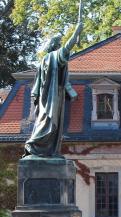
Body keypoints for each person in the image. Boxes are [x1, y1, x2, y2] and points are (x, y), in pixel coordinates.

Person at [24, 16, 83, 157]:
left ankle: (49, 150)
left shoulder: (45, 59)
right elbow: (68, 47)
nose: (60, 45)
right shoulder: (53, 57)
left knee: (51, 123)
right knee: (48, 122)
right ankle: (34, 144)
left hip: (50, 95)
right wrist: (76, 32)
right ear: (55, 46)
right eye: (58, 43)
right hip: (51, 96)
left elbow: (36, 86)